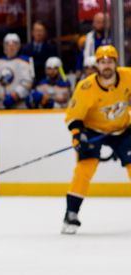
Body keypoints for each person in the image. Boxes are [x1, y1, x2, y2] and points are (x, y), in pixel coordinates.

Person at [62, 45, 131, 234]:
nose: (106, 65)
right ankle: (71, 213)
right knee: (85, 168)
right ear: (97, 65)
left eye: (110, 61)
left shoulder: (128, 76)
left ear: (116, 63)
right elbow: (74, 117)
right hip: (93, 130)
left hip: (123, 129)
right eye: (102, 62)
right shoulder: (86, 87)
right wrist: (77, 137)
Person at [0, 33, 34, 110]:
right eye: (8, 44)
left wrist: (16, 95)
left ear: (18, 46)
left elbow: (28, 83)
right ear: (4, 46)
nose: (11, 47)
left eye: (14, 44)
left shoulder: (25, 61)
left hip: (19, 104)